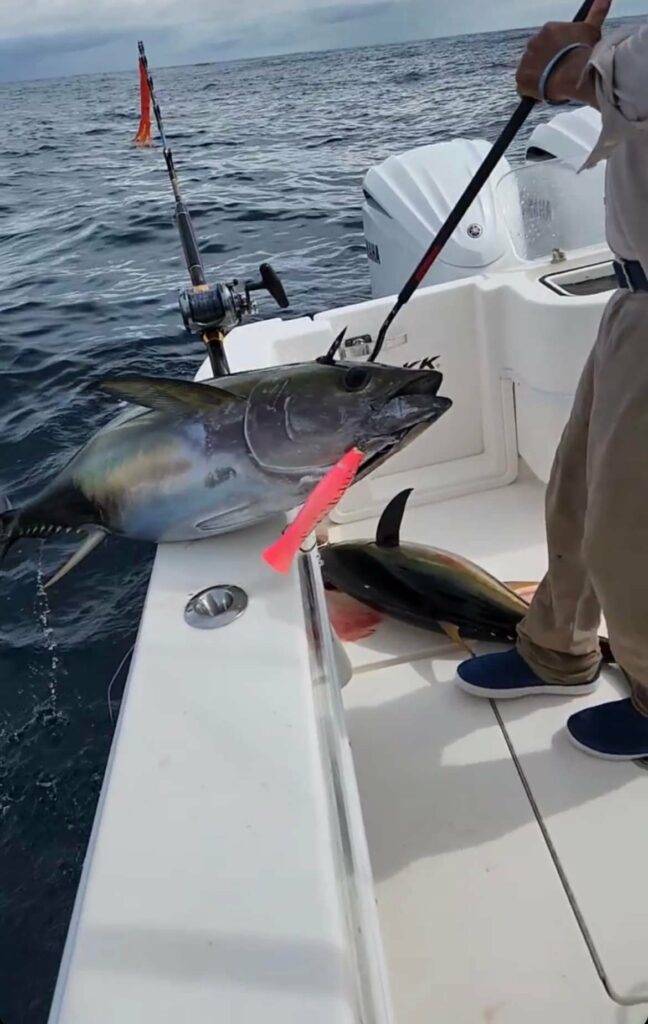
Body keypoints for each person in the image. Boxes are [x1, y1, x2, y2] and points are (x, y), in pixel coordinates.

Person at [456, 0, 648, 760]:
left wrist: (575, 50)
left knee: (628, 530)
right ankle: (557, 649)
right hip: (631, 298)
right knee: (574, 486)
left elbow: (544, 72)